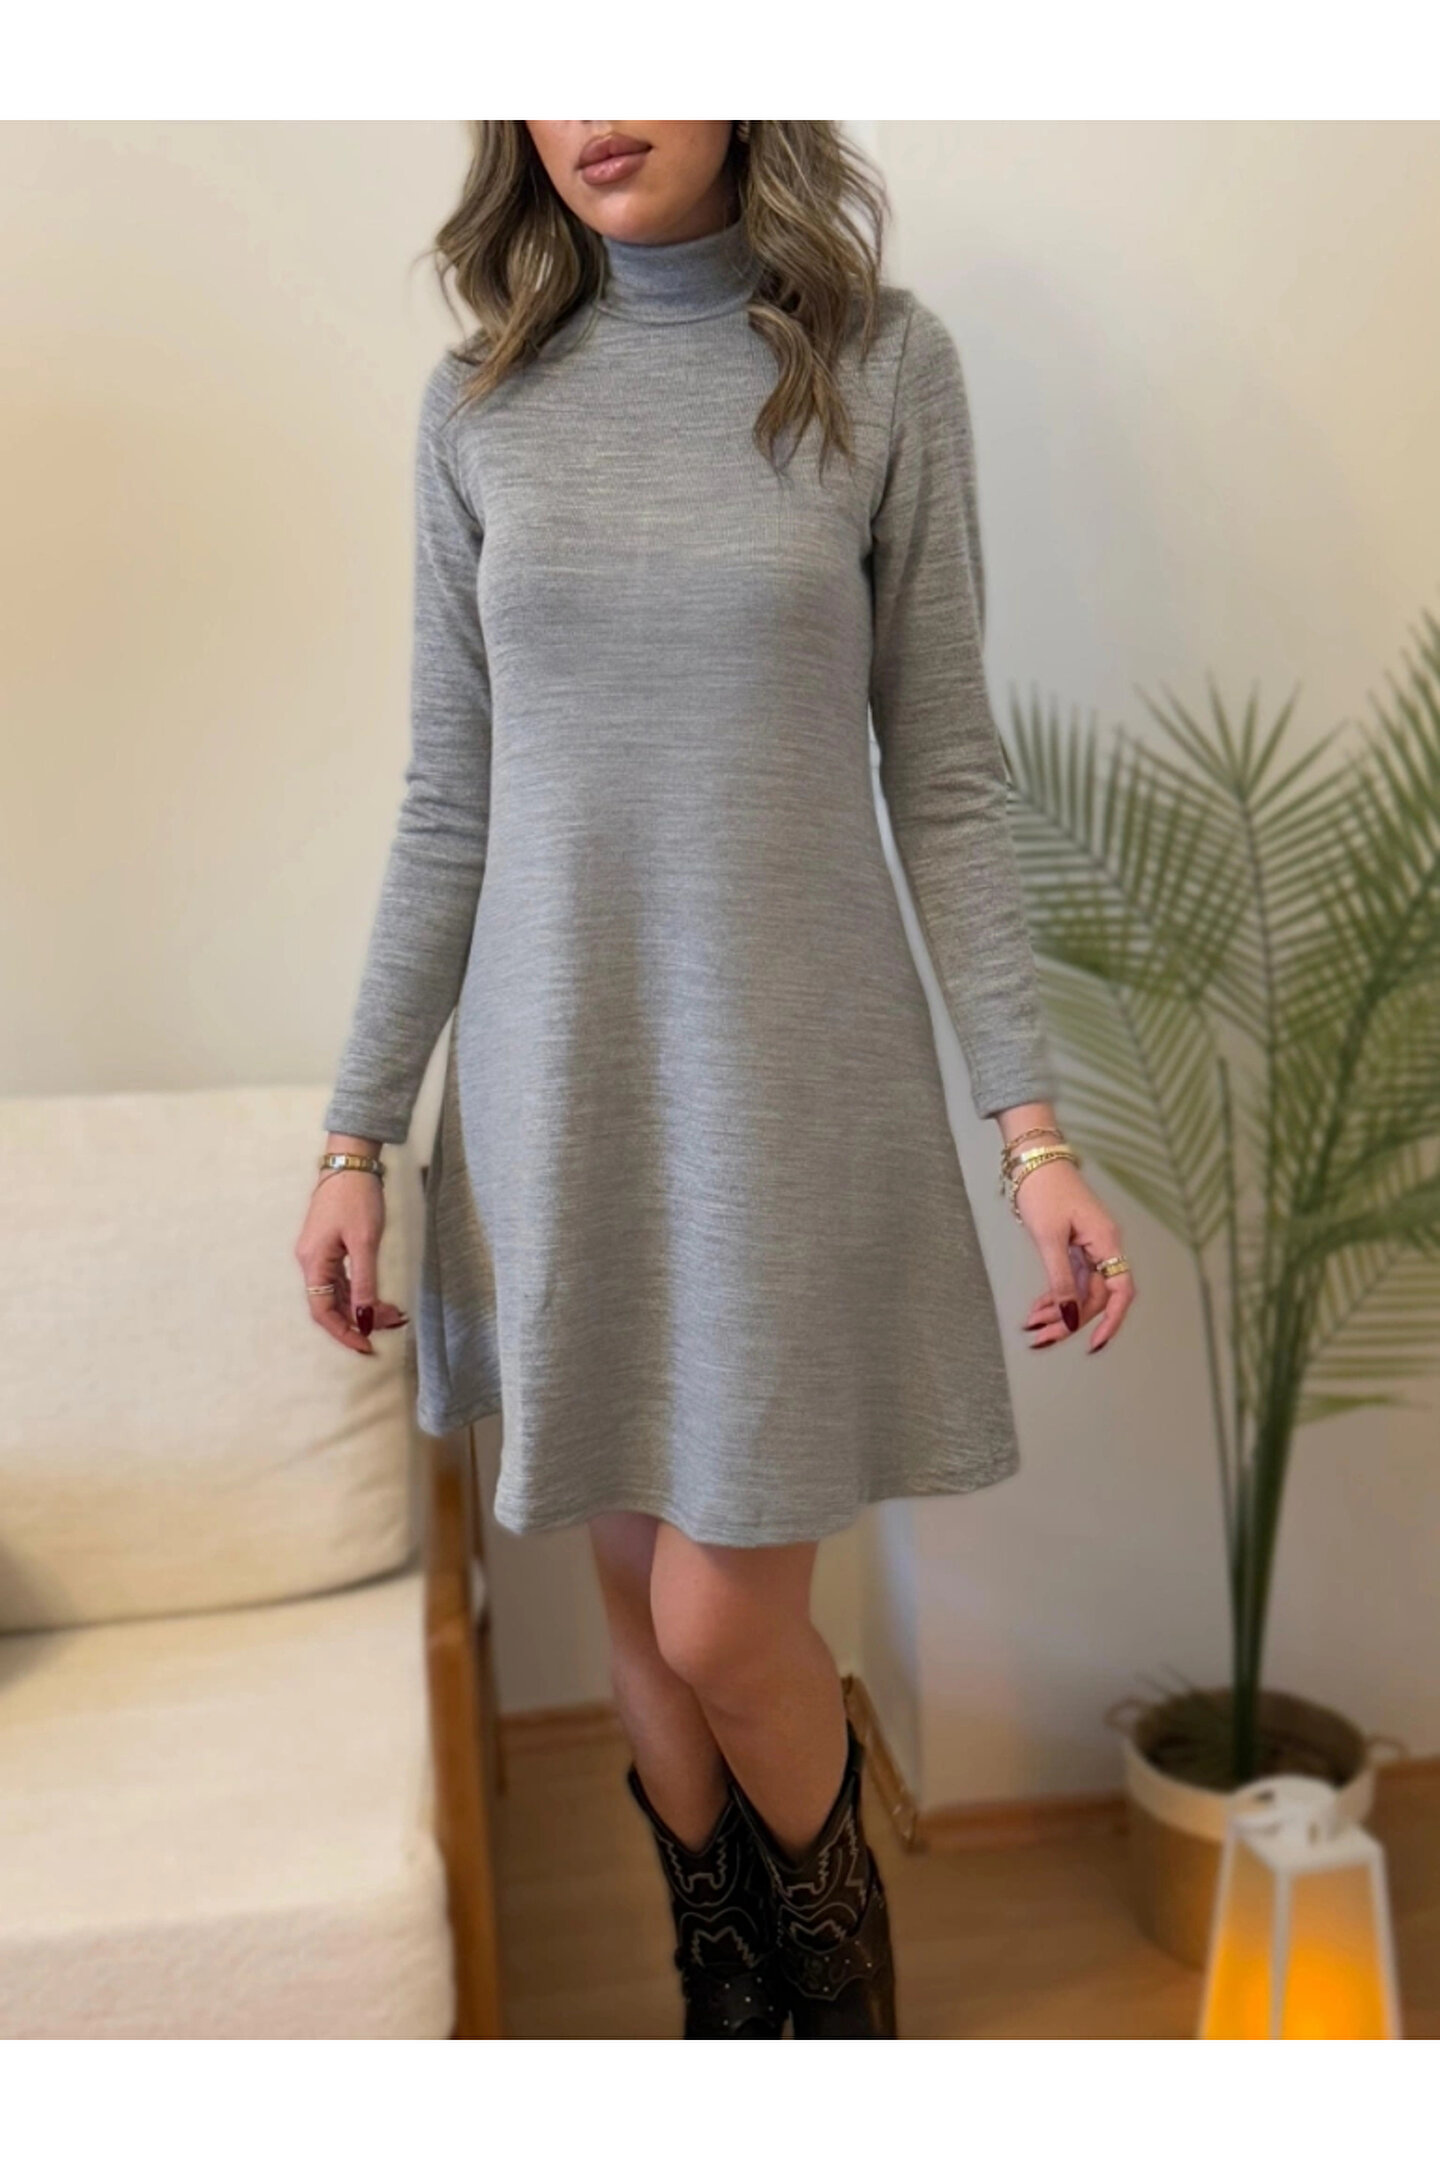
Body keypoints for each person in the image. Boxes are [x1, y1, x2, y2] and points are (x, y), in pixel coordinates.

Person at [295, 120, 1137, 2041]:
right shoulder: (479, 405)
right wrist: (357, 1136)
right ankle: (731, 2027)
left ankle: (842, 2040)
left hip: (786, 1098)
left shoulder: (883, 365)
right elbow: (449, 801)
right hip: (554, 1092)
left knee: (716, 1615)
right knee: (636, 1619)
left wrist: (1034, 1136)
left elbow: (945, 776)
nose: (598, 102)